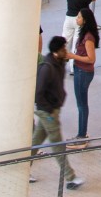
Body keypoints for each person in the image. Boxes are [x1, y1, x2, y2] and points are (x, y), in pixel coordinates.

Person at [31, 36, 83, 188]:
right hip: (48, 113)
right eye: (63, 49)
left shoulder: (58, 63)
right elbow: (39, 93)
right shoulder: (47, 68)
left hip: (52, 110)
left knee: (36, 142)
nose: (65, 51)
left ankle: (20, 170)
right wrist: (47, 112)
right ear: (56, 51)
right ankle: (70, 178)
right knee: (58, 145)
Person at [72, 4, 99, 142]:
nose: (77, 19)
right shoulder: (84, 33)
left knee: (82, 104)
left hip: (83, 72)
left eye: (79, 17)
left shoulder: (88, 37)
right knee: (81, 103)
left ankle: (82, 134)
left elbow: (91, 59)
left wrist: (73, 56)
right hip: (79, 70)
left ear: (85, 20)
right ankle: (81, 133)